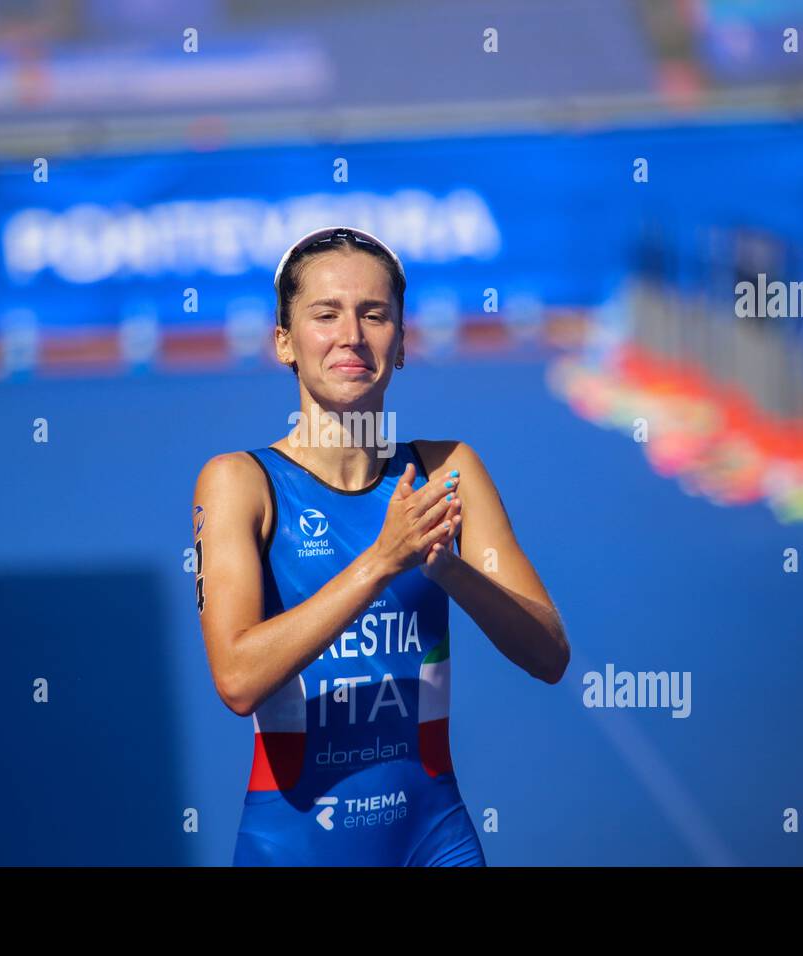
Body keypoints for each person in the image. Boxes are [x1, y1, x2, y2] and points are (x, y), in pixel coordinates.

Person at [191, 226, 569, 866]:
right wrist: (381, 562)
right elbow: (236, 680)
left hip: (435, 842)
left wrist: (449, 570)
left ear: (401, 344)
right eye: (325, 314)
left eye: (375, 314)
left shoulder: (449, 471)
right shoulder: (240, 483)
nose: (351, 336)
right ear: (284, 341)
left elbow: (549, 653)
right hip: (292, 850)